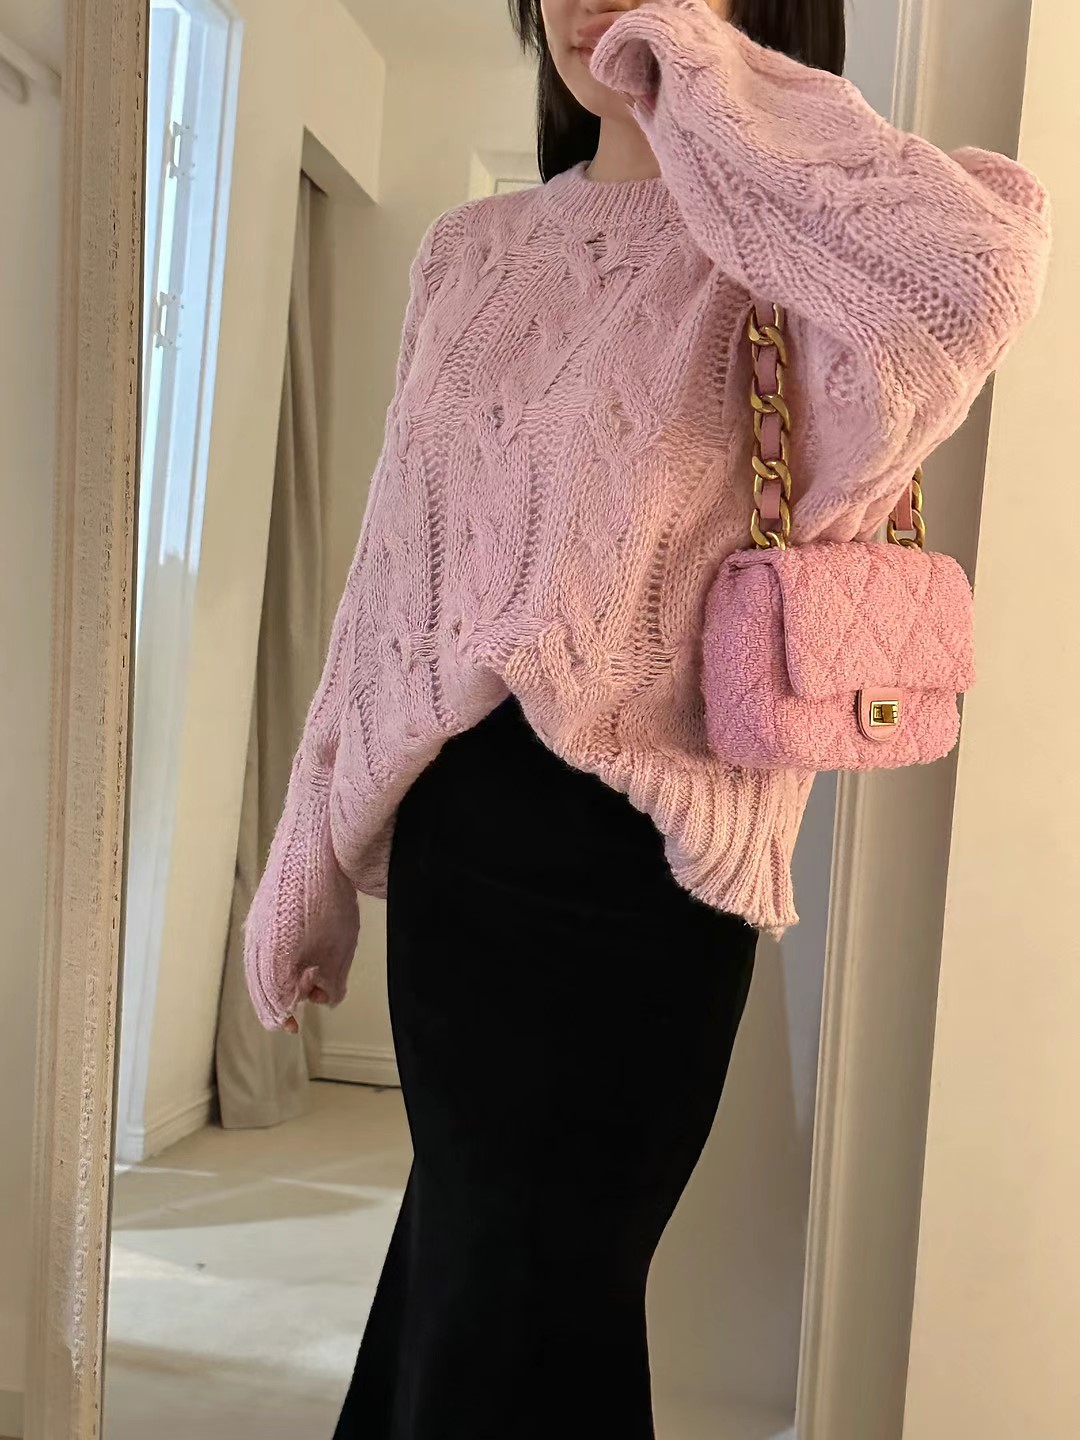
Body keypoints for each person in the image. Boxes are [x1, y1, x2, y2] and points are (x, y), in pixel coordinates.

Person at [243, 1, 1051, 1435]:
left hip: (649, 884)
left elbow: (975, 271)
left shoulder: (791, 258)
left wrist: (706, 80)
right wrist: (308, 851)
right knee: (466, 1266)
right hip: (460, 861)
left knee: (542, 1293)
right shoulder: (471, 256)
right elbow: (391, 584)